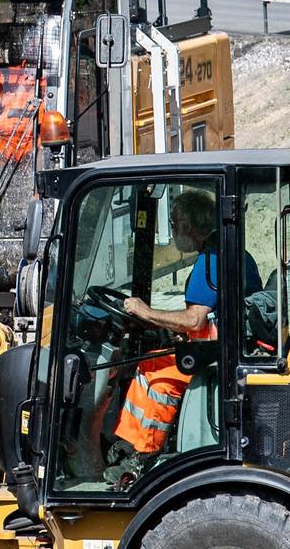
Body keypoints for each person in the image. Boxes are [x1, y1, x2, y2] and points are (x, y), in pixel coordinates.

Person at [109, 191, 259, 460]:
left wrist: (145, 311)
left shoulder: (210, 261)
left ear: (188, 226)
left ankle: (142, 454)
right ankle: (134, 445)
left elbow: (194, 319)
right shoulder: (233, 252)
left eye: (175, 224)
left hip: (217, 358)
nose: (175, 231)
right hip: (228, 347)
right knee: (155, 359)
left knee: (151, 370)